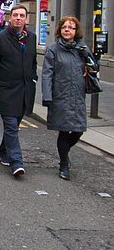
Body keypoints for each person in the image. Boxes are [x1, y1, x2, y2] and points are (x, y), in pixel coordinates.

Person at [0, 4, 37, 177]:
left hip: (24, 91)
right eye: (15, 15)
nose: (18, 18)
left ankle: (3, 151)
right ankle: (17, 162)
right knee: (11, 127)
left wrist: (33, 78)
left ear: (26, 19)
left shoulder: (31, 38)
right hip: (6, 91)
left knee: (12, 126)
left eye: (21, 15)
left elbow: (33, 63)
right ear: (10, 18)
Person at [41, 16, 91, 180]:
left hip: (77, 97)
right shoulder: (53, 50)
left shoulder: (82, 48)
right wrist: (47, 97)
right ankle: (63, 164)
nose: (67, 30)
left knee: (78, 130)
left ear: (76, 31)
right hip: (60, 96)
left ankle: (65, 153)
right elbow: (47, 75)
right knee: (63, 131)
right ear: (60, 30)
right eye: (64, 27)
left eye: (71, 27)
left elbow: (93, 68)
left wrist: (88, 56)